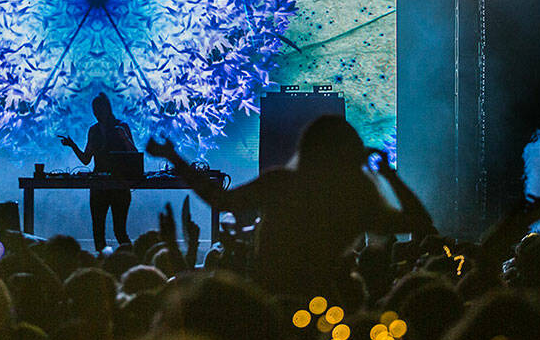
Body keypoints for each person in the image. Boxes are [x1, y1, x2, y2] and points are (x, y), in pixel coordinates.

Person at [147, 115, 435, 299]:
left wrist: (174, 157)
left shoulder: (282, 183)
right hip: (325, 301)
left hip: (271, 297)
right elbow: (419, 222)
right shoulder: (355, 197)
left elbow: (220, 200)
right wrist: (388, 174)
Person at [61, 92, 136, 251]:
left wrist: (124, 138)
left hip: (119, 185)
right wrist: (72, 145)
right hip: (99, 185)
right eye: (95, 110)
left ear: (107, 109)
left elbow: (134, 155)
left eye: (99, 110)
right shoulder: (93, 130)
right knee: (98, 230)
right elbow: (86, 159)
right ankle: (103, 264)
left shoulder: (121, 127)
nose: (97, 114)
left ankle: (128, 261)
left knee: (120, 231)